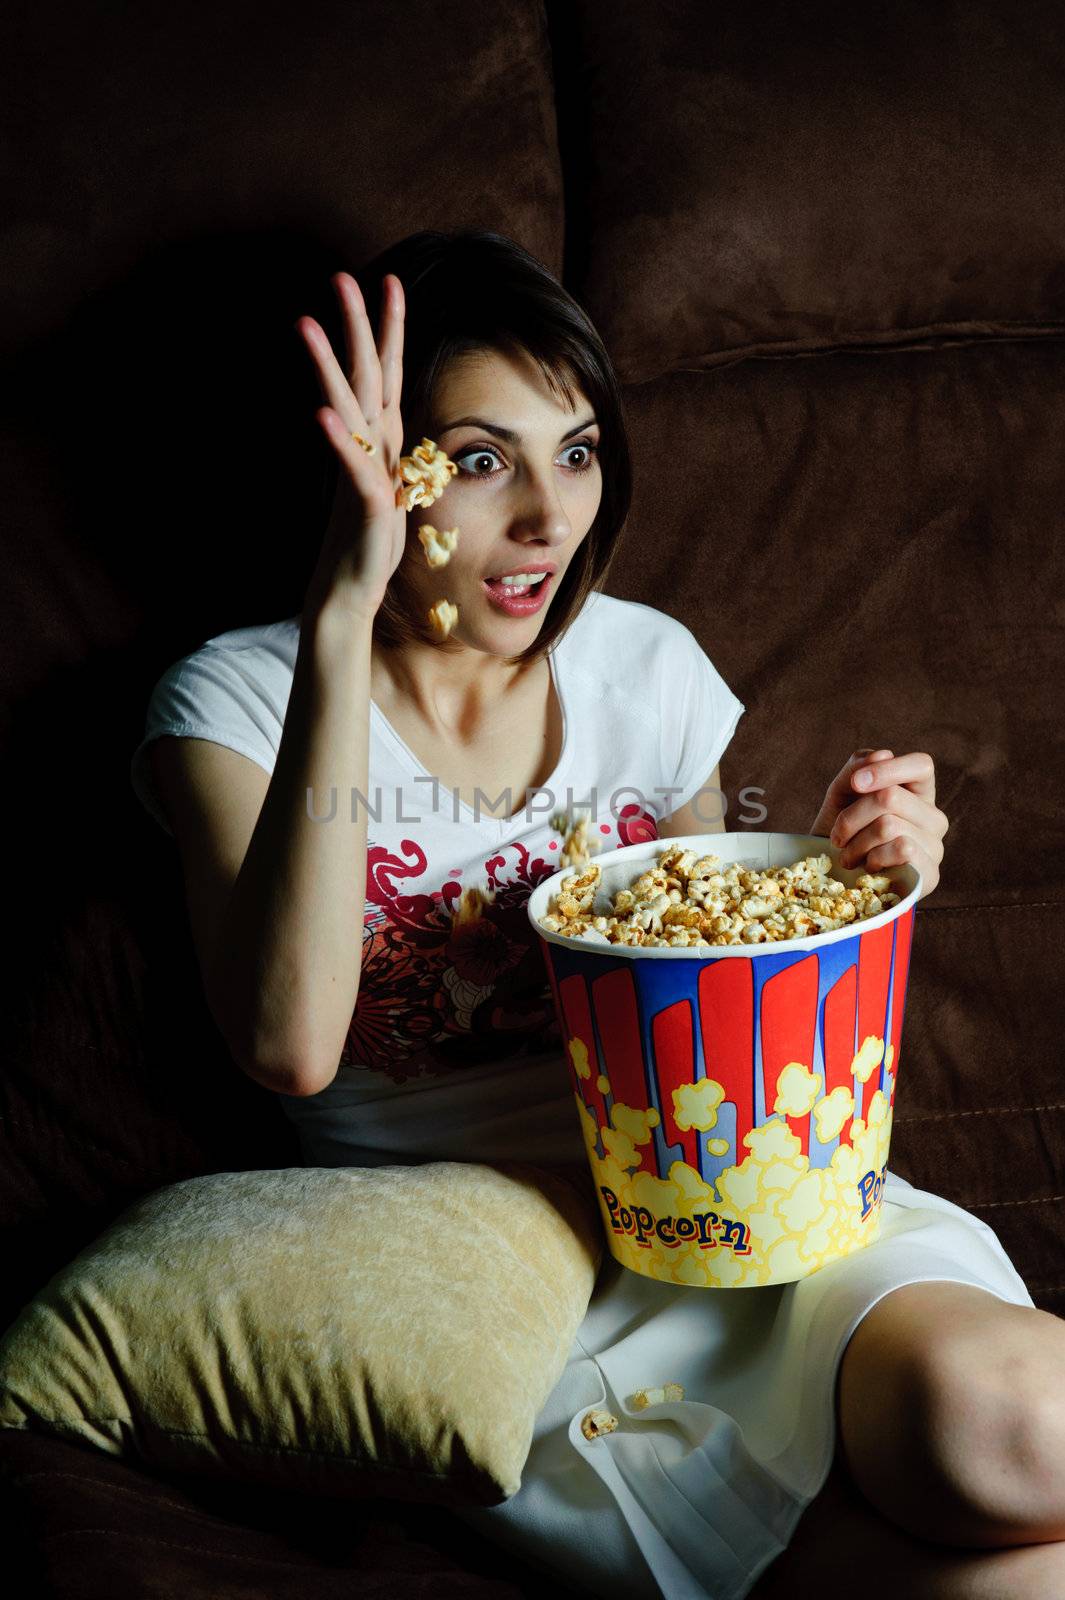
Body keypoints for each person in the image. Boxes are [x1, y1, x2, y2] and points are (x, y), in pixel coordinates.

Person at [130, 229, 1065, 1600]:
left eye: (573, 453)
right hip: (515, 1285)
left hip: (739, 1207)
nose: (546, 520)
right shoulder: (231, 703)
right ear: (382, 474)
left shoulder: (646, 664)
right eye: (478, 457)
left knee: (1016, 1430)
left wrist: (850, 881)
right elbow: (290, 1050)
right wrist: (341, 617)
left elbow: (720, 1003)